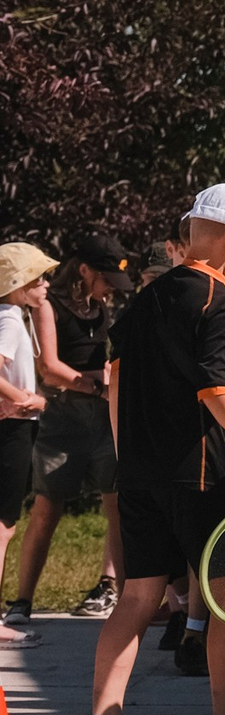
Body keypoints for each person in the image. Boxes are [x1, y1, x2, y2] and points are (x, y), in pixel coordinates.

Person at [80, 184, 225, 715]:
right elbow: (218, 389)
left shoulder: (144, 300)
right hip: (201, 475)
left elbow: (116, 377)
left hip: (141, 474)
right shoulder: (221, 303)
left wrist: (130, 460)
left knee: (139, 594)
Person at [10, 232, 132, 623]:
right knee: (48, 506)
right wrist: (98, 387)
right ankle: (22, 600)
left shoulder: (101, 306)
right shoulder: (51, 305)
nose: (111, 288)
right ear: (83, 271)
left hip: (102, 415)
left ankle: (110, 587)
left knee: (115, 501)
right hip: (64, 417)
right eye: (106, 278)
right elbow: (52, 367)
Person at [0, 244, 57, 647]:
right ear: (20, 284)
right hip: (12, 429)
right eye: (40, 278)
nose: (47, 284)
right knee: (2, 528)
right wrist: (23, 398)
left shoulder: (12, 317)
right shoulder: (10, 320)